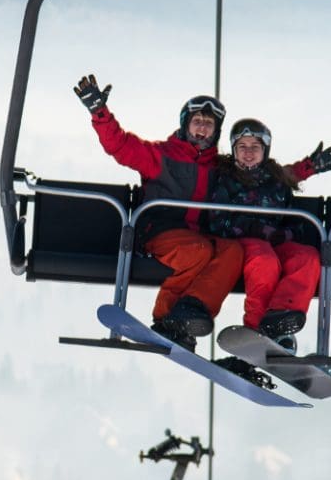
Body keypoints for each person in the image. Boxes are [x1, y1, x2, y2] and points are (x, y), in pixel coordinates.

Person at [74, 73, 243, 351]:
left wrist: (306, 168)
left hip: (198, 236)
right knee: (198, 251)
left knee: (233, 251)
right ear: (185, 125)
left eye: (208, 124)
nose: (202, 129)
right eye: (197, 122)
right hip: (160, 232)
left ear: (216, 131)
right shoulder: (162, 156)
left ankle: (189, 313)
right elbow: (120, 146)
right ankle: (166, 318)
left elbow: (261, 172)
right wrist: (99, 112)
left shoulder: (220, 167)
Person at [206, 117, 331, 350]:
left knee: (307, 257)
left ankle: (279, 320)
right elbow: (217, 221)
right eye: (242, 147)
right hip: (239, 245)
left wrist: (285, 235)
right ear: (233, 150)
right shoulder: (225, 179)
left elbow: (292, 218)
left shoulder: (277, 181)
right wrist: (258, 229)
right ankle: (255, 328)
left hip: (273, 244)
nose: (248, 153)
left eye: (255, 147)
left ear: (265, 150)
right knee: (265, 260)